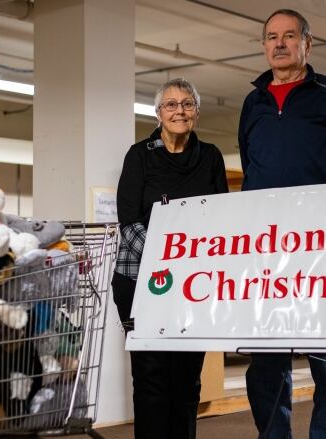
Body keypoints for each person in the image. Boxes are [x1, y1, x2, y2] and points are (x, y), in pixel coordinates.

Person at [238, 9, 326, 439]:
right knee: (265, 369)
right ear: (264, 46)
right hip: (267, 256)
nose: (279, 43)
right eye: (272, 37)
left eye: (289, 35)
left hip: (325, 254)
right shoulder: (253, 103)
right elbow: (252, 169)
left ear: (307, 44)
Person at [111, 77, 229, 439]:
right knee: (151, 381)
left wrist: (195, 263)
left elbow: (222, 217)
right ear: (158, 112)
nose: (180, 111)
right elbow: (128, 222)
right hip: (142, 283)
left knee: (187, 382)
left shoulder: (209, 156)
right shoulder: (139, 155)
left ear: (196, 111)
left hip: (193, 286)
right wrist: (171, 258)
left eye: (187, 104)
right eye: (171, 104)